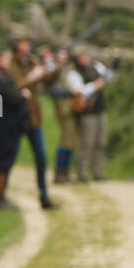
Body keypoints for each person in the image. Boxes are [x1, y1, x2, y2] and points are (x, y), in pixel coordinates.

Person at [6, 36, 65, 209]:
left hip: (34, 117)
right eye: (23, 44)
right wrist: (33, 76)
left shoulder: (32, 60)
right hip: (15, 118)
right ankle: (2, 197)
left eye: (27, 44)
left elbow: (48, 81)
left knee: (41, 157)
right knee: (9, 158)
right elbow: (12, 87)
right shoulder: (9, 65)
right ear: (16, 47)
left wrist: (56, 65)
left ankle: (44, 197)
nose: (27, 47)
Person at [0, 48, 30, 209]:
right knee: (3, 164)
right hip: (5, 129)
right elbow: (14, 99)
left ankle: (0, 197)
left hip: (2, 127)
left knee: (3, 163)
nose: (7, 60)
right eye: (3, 58)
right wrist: (23, 95)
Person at [66, 46, 115, 182]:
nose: (85, 58)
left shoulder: (96, 66)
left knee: (101, 142)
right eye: (82, 56)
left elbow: (109, 77)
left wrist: (113, 67)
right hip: (87, 112)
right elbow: (79, 91)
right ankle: (81, 173)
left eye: (86, 55)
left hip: (100, 109)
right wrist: (95, 86)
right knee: (87, 142)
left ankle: (98, 172)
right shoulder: (74, 72)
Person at [46, 45, 80, 185]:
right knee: (66, 142)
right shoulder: (53, 70)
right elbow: (51, 90)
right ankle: (59, 172)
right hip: (63, 109)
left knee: (70, 142)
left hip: (70, 108)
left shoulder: (67, 69)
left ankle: (64, 172)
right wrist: (69, 93)